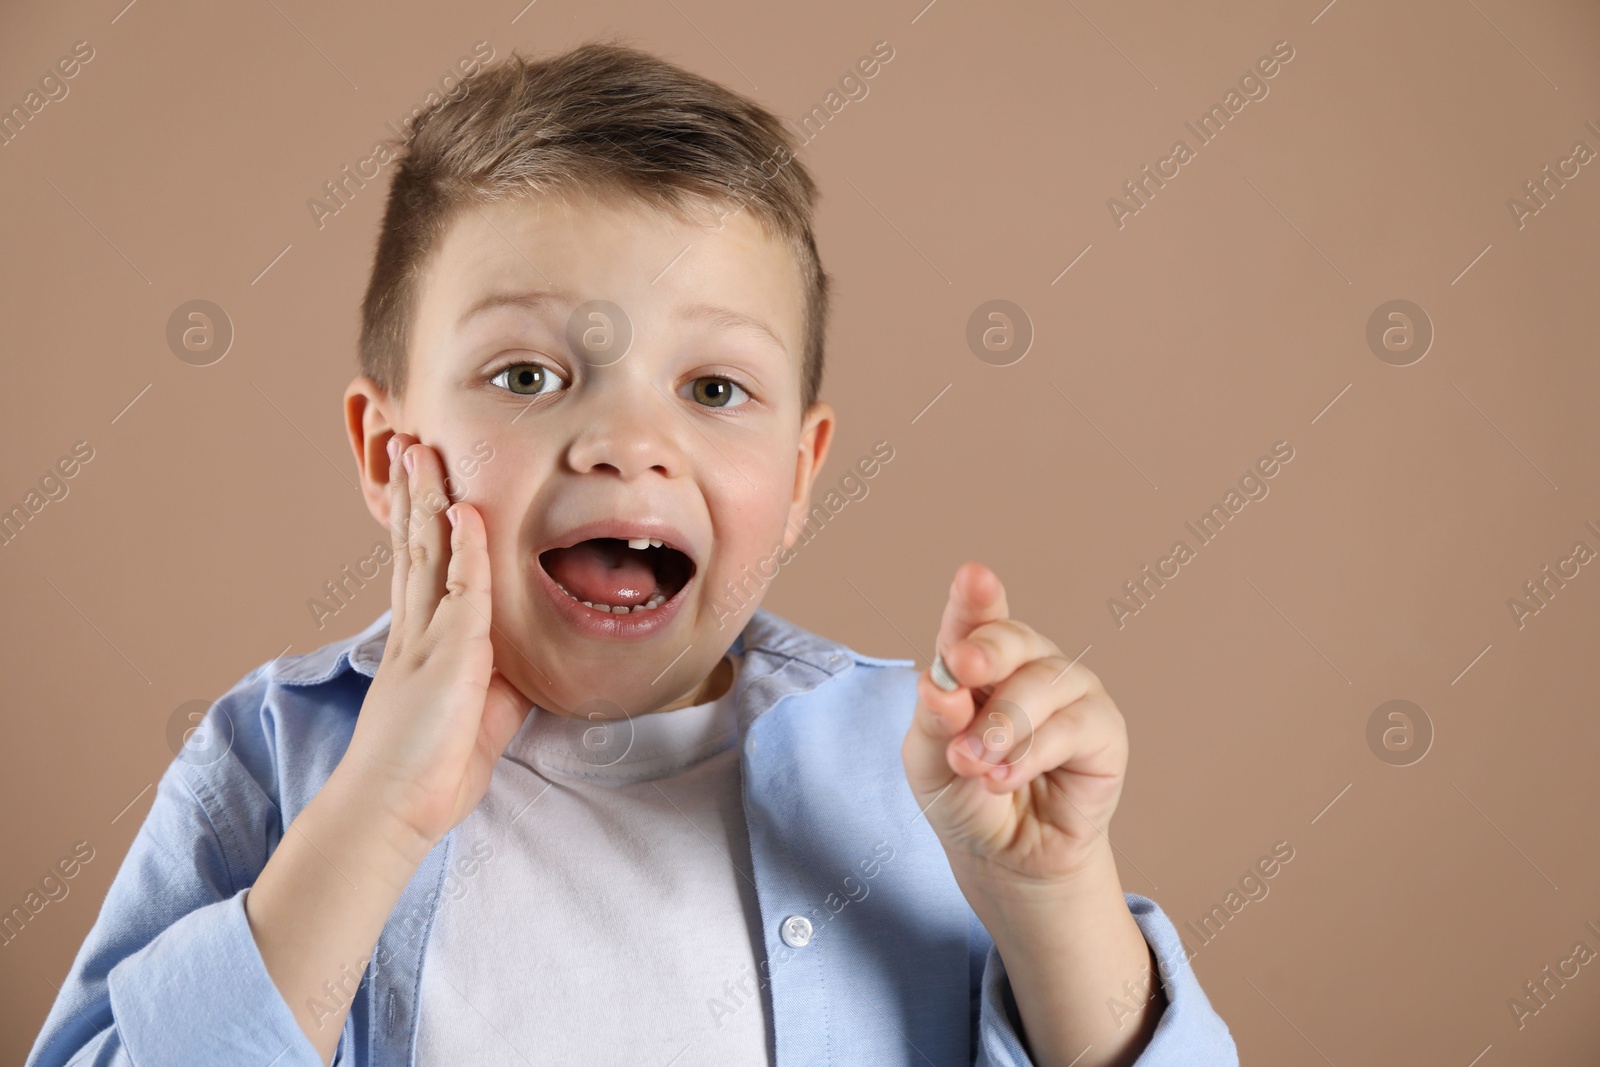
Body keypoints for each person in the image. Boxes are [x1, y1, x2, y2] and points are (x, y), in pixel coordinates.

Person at [27, 40, 1237, 1067]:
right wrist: (377, 816)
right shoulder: (279, 758)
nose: (625, 443)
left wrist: (1051, 898)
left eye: (713, 385)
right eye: (527, 375)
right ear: (390, 448)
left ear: (804, 471)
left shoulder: (924, 783)